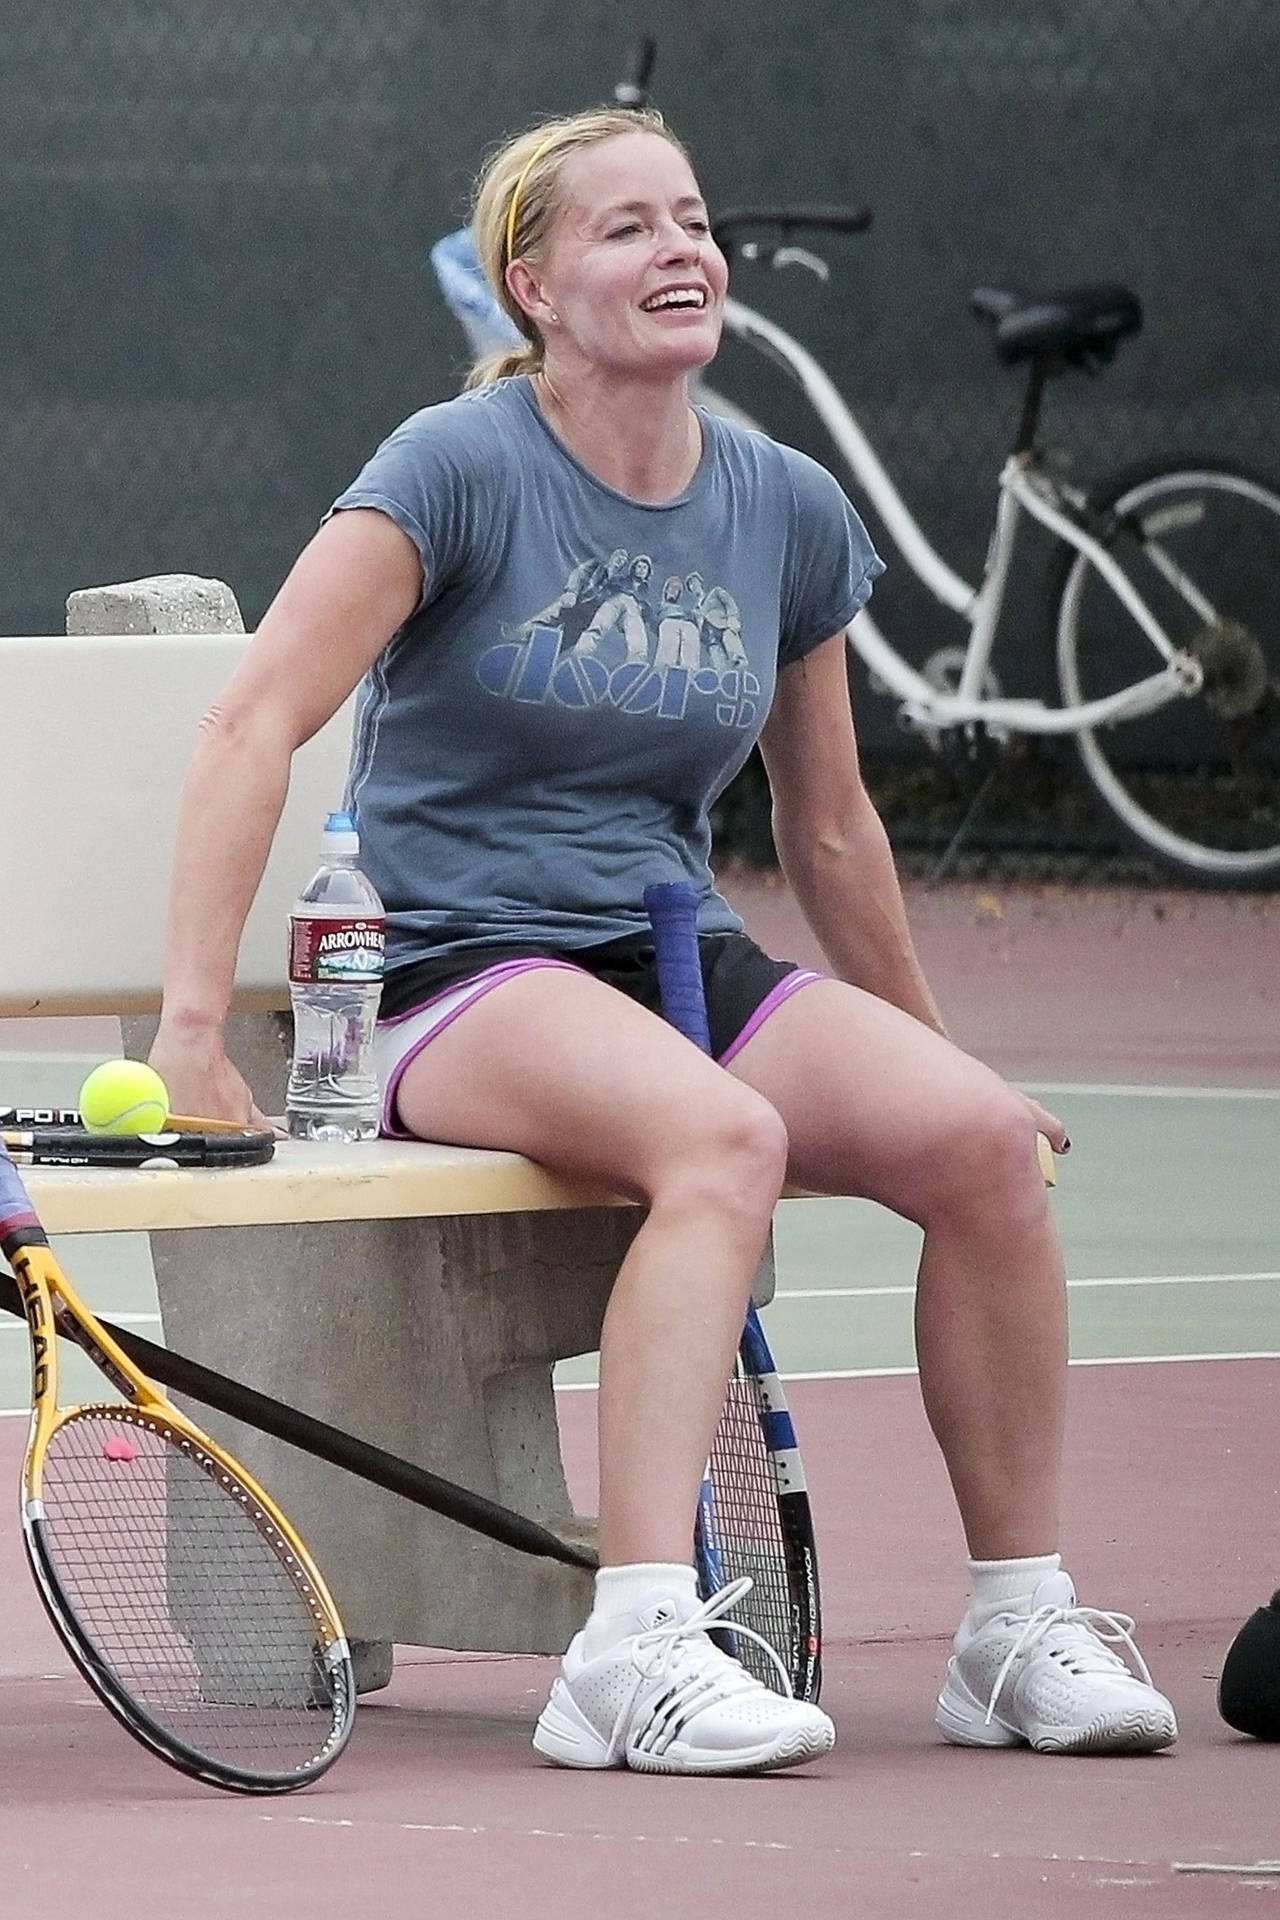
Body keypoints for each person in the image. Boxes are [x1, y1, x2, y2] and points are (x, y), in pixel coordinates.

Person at [149, 104, 1177, 1774]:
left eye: (691, 219)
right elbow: (251, 720)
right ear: (532, 286)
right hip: (451, 968)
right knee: (723, 1137)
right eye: (626, 228)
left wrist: (933, 1048)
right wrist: (198, 1027)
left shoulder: (782, 506)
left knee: (985, 1146)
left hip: (670, 952)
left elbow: (828, 825)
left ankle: (1013, 1629)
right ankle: (629, 1649)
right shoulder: (452, 467)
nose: (679, 249)